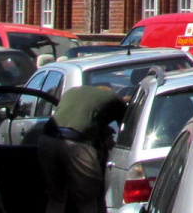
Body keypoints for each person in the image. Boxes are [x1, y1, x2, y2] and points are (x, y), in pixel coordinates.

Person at [37, 84, 127, 213]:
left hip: (47, 140)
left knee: (56, 197)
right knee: (87, 200)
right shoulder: (114, 98)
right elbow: (126, 128)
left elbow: (80, 118)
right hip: (76, 145)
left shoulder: (73, 91)